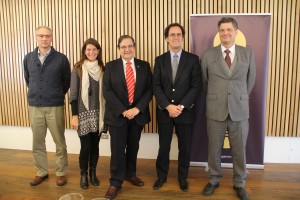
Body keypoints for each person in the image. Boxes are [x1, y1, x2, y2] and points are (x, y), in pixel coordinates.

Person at [201, 17, 256, 200]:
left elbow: (250, 81)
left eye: (229, 29)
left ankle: (239, 183)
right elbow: (204, 82)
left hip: (239, 109)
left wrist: (238, 97)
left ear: (236, 32)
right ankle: (213, 179)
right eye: (222, 30)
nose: (225, 33)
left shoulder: (247, 53)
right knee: (213, 148)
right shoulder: (208, 55)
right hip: (215, 108)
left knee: (239, 149)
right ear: (219, 33)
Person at [152, 23, 201, 192]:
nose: (176, 37)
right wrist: (168, 106)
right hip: (165, 112)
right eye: (172, 34)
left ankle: (182, 177)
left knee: (185, 147)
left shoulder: (193, 59)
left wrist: (180, 106)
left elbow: (196, 86)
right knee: (163, 147)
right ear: (166, 38)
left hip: (185, 112)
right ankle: (161, 177)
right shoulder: (159, 60)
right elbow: (156, 86)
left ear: (183, 37)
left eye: (179, 34)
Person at [103, 35, 153, 199]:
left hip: (137, 116)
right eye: (123, 46)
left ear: (134, 47)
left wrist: (137, 109)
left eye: (130, 46)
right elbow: (107, 91)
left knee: (133, 147)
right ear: (118, 49)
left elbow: (149, 90)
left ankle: (130, 174)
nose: (127, 49)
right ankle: (115, 182)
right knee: (117, 150)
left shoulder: (144, 66)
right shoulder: (110, 66)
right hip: (118, 116)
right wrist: (124, 111)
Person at [23, 26, 70, 186]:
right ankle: (41, 172)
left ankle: (61, 172)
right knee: (37, 142)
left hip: (55, 106)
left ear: (52, 37)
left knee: (59, 141)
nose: (44, 39)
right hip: (34, 106)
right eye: (41, 36)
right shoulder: (28, 58)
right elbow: (28, 79)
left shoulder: (61, 59)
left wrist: (55, 95)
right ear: (36, 37)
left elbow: (66, 83)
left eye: (47, 36)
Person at [69, 38, 105, 189]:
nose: (91, 52)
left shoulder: (104, 68)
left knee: (95, 146)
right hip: (83, 114)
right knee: (85, 146)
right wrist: (74, 115)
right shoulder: (78, 68)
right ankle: (83, 174)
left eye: (94, 49)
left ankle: (93, 173)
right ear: (84, 51)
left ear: (98, 51)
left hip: (98, 113)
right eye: (88, 50)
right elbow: (73, 95)